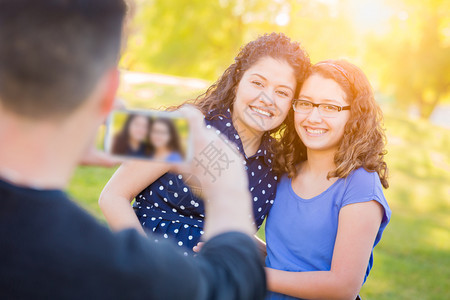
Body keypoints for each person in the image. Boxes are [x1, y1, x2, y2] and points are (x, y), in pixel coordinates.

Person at [0, 0, 267, 298]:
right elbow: (230, 283)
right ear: (109, 93)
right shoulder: (103, 267)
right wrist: (227, 182)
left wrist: (57, 144)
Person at [99, 33, 311, 254]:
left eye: (282, 92)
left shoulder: (275, 161)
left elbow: (237, 230)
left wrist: (266, 257)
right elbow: (113, 197)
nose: (267, 99)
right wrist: (151, 266)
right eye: (258, 82)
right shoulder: (185, 126)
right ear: (238, 81)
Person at [263, 60, 391, 299]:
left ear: (355, 115)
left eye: (330, 107)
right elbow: (285, 260)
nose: (313, 117)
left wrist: (256, 275)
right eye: (305, 103)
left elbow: (342, 287)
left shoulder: (360, 185)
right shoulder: (287, 171)